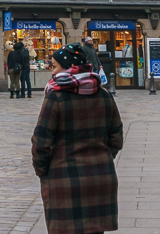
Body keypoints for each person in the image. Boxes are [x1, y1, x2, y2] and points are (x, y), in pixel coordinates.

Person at [32, 43, 123, 234]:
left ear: (69, 68)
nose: (53, 72)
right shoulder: (105, 96)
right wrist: (102, 158)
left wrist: (43, 171)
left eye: (55, 66)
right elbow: (116, 137)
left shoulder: (56, 97)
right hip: (100, 177)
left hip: (64, 179)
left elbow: (41, 141)